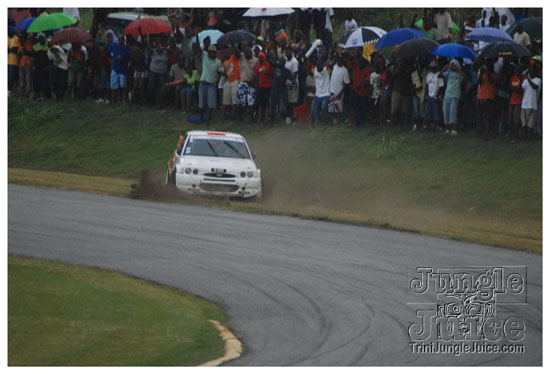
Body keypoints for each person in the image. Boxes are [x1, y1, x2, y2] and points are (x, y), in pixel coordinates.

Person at [196, 37, 222, 125]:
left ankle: (207, 121)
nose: (211, 53)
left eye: (213, 52)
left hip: (211, 84)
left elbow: (219, 73)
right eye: (210, 52)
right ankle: (201, 119)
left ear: (215, 53)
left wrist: (217, 80)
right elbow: (198, 48)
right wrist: (197, 36)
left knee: (211, 104)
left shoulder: (218, 62)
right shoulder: (205, 56)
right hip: (203, 83)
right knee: (201, 104)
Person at [439, 59, 467, 135]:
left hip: (455, 95)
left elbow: (465, 77)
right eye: (452, 64)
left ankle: (454, 128)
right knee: (446, 111)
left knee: (453, 112)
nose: (453, 66)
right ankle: (447, 128)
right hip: (447, 95)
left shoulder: (459, 74)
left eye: (454, 64)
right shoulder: (448, 73)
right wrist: (445, 68)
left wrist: (458, 69)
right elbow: (439, 75)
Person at [106, 33, 130, 104]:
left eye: (122, 39)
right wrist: (110, 60)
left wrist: (123, 58)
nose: (120, 40)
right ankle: (113, 101)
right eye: (119, 39)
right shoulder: (114, 46)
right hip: (115, 68)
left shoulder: (126, 48)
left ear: (124, 40)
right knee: (113, 86)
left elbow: (129, 58)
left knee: (124, 87)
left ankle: (126, 101)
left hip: (123, 70)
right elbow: (107, 51)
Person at [269, 56, 294, 125]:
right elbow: (269, 59)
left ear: (285, 62)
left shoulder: (287, 71)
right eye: (280, 61)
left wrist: (292, 85)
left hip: (282, 91)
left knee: (282, 109)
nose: (281, 62)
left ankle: (286, 117)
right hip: (274, 90)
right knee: (271, 107)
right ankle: (271, 122)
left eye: (282, 61)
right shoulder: (276, 67)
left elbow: (293, 80)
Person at [520, 64, 541, 141]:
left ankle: (529, 138)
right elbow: (521, 88)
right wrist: (521, 78)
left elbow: (534, 87)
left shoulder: (538, 80)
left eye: (532, 71)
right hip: (524, 104)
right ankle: (525, 137)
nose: (530, 73)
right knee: (524, 123)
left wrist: (528, 78)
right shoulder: (525, 80)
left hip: (532, 105)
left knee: (530, 124)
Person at [476, 60, 497, 138]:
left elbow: (492, 82)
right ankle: (480, 132)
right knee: (480, 116)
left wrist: (487, 72)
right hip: (481, 96)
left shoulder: (493, 74)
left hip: (489, 97)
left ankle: (486, 133)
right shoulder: (482, 74)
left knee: (487, 117)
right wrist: (481, 73)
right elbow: (478, 82)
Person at [309, 56, 332, 126]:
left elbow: (332, 66)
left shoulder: (327, 70)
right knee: (313, 109)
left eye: (320, 64)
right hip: (317, 95)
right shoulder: (314, 69)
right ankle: (316, 122)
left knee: (323, 108)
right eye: (317, 64)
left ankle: (324, 122)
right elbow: (308, 64)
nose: (319, 66)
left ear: (323, 65)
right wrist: (304, 57)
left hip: (326, 94)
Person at [390, 58, 413, 128]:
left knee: (403, 110)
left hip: (405, 92)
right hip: (397, 90)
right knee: (395, 108)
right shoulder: (396, 69)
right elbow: (392, 76)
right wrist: (398, 69)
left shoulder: (408, 70)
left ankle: (401, 124)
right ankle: (393, 124)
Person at [328, 54, 350, 124]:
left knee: (338, 108)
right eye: (338, 59)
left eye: (340, 59)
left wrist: (341, 93)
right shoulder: (333, 67)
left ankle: (341, 120)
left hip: (339, 91)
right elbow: (327, 71)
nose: (339, 61)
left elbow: (346, 83)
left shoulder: (345, 70)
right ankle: (333, 121)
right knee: (331, 108)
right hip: (331, 90)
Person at [424, 60, 444, 131]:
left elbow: (441, 87)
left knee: (436, 112)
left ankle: (435, 127)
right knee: (428, 111)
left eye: (432, 67)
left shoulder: (439, 75)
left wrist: (437, 95)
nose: (431, 69)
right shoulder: (429, 75)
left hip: (435, 96)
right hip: (429, 95)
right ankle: (427, 126)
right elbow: (427, 85)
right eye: (430, 67)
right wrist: (426, 95)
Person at [222, 45, 240, 119]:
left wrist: (231, 42)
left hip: (235, 79)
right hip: (228, 80)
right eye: (225, 52)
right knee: (226, 99)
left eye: (228, 51)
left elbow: (236, 52)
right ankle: (225, 114)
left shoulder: (234, 57)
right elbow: (224, 73)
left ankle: (234, 114)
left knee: (234, 98)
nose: (227, 53)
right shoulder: (225, 62)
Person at [255, 51, 273, 124]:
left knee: (267, 103)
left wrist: (266, 73)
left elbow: (272, 73)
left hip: (268, 86)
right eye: (259, 57)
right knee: (260, 103)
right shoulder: (258, 66)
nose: (260, 59)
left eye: (261, 57)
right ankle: (259, 118)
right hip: (261, 86)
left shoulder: (268, 64)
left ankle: (266, 118)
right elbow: (256, 76)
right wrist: (257, 85)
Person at [31, 33, 51, 101]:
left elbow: (50, 58)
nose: (40, 39)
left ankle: (45, 95)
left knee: (45, 82)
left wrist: (48, 66)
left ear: (44, 38)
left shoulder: (48, 46)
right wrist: (33, 66)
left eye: (42, 37)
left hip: (45, 67)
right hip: (37, 67)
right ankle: (37, 95)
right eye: (39, 38)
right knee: (37, 81)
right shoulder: (35, 46)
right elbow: (32, 57)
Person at [507, 63, 523, 139]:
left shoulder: (522, 78)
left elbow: (520, 90)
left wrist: (514, 88)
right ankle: (510, 134)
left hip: (518, 102)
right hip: (512, 100)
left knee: (516, 120)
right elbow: (509, 89)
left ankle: (516, 135)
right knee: (510, 119)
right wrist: (514, 89)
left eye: (518, 68)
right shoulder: (512, 78)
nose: (516, 70)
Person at [284, 47, 299, 119]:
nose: (287, 53)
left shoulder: (294, 61)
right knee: (288, 101)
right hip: (286, 83)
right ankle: (289, 116)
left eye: (288, 52)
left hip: (293, 83)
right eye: (286, 52)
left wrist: (292, 83)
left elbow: (295, 73)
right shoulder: (285, 60)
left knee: (293, 101)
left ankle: (293, 116)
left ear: (291, 52)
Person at [17, 31, 33, 97]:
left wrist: (26, 51)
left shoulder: (29, 43)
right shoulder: (20, 43)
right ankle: (22, 91)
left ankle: (27, 92)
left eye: (23, 36)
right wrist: (22, 52)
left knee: (28, 77)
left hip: (28, 62)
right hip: (22, 62)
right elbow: (18, 52)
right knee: (22, 77)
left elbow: (31, 53)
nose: (22, 37)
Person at [8, 27, 20, 96]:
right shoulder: (7, 38)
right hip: (7, 60)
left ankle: (10, 90)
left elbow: (14, 50)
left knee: (11, 76)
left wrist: (10, 49)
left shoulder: (16, 38)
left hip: (13, 61)